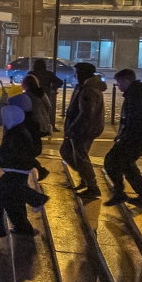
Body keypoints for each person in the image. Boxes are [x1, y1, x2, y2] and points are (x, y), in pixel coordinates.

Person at [104, 69, 142, 210]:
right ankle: (141, 196)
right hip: (134, 137)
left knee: (111, 161)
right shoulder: (136, 93)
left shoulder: (137, 95)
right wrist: (121, 134)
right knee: (125, 164)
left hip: (137, 138)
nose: (117, 86)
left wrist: (125, 136)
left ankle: (124, 193)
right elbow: (128, 119)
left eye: (118, 82)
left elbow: (137, 121)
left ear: (126, 81)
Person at [0, 103, 44, 236]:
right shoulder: (17, 130)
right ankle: (21, 227)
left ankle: (36, 199)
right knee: (11, 199)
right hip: (15, 170)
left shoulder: (17, 134)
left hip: (15, 171)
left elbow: (21, 155)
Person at [62, 62, 106, 199]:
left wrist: (73, 128)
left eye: (76, 72)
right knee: (67, 151)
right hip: (82, 128)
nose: (74, 75)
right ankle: (85, 179)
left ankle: (92, 186)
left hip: (83, 129)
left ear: (83, 73)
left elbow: (86, 113)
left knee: (80, 157)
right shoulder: (83, 87)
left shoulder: (89, 89)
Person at [21, 73, 55, 139]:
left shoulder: (25, 96)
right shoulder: (42, 94)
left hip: (31, 125)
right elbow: (49, 107)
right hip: (43, 125)